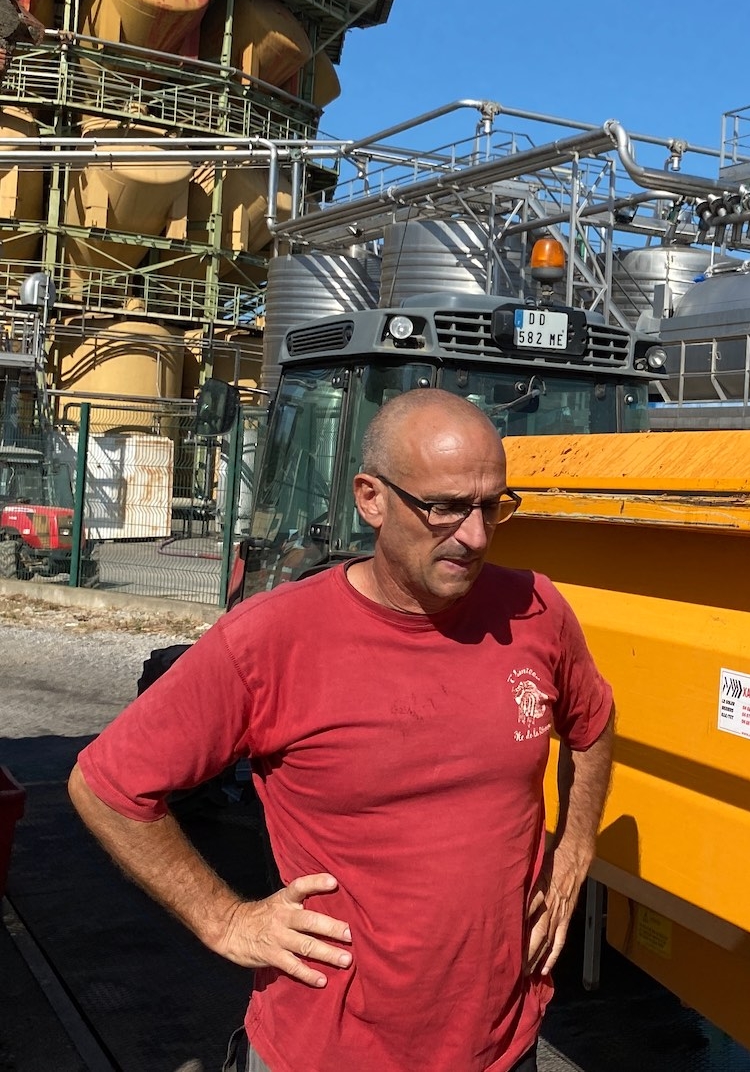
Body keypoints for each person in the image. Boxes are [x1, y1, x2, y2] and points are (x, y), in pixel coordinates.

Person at [69, 389, 615, 1072]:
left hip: (503, 1046)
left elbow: (593, 722)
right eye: (445, 507)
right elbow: (106, 785)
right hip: (328, 1050)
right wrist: (227, 919)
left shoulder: (536, 609)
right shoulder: (272, 640)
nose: (474, 535)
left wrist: (573, 855)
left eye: (491, 506)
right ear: (371, 499)